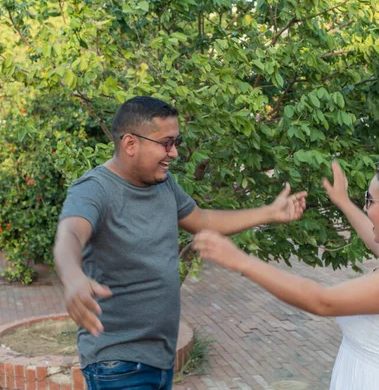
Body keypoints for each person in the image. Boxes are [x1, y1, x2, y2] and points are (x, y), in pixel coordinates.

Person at [53, 96, 307, 390]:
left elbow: (203, 221)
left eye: (176, 142)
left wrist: (269, 213)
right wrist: (72, 276)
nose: (173, 153)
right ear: (131, 144)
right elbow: (69, 234)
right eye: (166, 143)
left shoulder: (163, 183)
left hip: (159, 360)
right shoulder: (95, 189)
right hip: (117, 365)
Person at [193, 158, 379, 390]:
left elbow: (322, 301)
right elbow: (374, 242)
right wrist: (343, 201)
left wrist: (240, 260)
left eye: (369, 201)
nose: (366, 207)